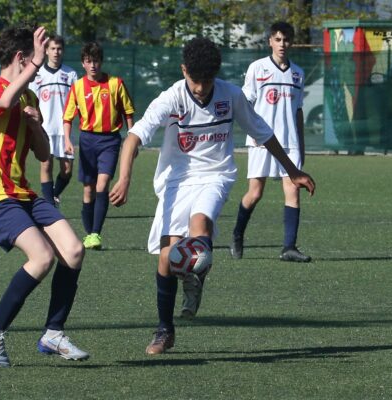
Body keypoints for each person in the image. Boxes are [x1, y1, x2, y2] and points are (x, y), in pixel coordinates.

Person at [109, 37, 315, 355]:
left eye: (208, 80)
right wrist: (124, 179)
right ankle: (165, 328)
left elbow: (263, 133)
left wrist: (292, 170)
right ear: (183, 71)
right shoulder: (172, 97)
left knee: (201, 223)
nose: (202, 88)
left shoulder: (230, 95)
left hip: (215, 176)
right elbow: (134, 137)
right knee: (166, 258)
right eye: (196, 80)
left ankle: (196, 268)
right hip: (175, 182)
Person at [0, 26, 89, 367]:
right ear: (22, 59)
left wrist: (35, 126)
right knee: (43, 257)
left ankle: (53, 333)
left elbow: (44, 154)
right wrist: (36, 63)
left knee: (74, 251)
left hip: (23, 193)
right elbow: (3, 102)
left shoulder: (30, 99)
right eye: (35, 58)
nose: (42, 63)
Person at [230, 22, 311, 262]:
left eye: (286, 40)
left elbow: (297, 111)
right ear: (270, 42)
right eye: (277, 39)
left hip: (290, 142)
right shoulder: (257, 68)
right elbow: (245, 104)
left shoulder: (298, 73)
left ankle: (289, 248)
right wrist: (251, 131)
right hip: (261, 140)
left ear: (292, 42)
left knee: (293, 189)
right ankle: (237, 234)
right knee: (255, 193)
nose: (282, 44)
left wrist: (302, 144)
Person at [63, 42, 135, 250]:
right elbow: (68, 117)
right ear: (83, 64)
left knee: (102, 185)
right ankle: (89, 234)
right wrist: (68, 140)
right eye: (88, 61)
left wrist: (132, 138)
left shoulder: (116, 83)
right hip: (87, 141)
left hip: (110, 140)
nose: (92, 65)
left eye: (96, 61)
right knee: (88, 190)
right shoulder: (77, 86)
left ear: (101, 62)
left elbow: (128, 112)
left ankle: (95, 234)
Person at [28, 35, 78, 206]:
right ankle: (49, 204)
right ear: (47, 51)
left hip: (65, 130)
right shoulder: (38, 74)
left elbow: (77, 101)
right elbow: (31, 100)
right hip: (45, 128)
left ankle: (54, 194)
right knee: (46, 165)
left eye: (59, 49)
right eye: (53, 49)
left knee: (67, 170)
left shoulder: (71, 74)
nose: (56, 52)